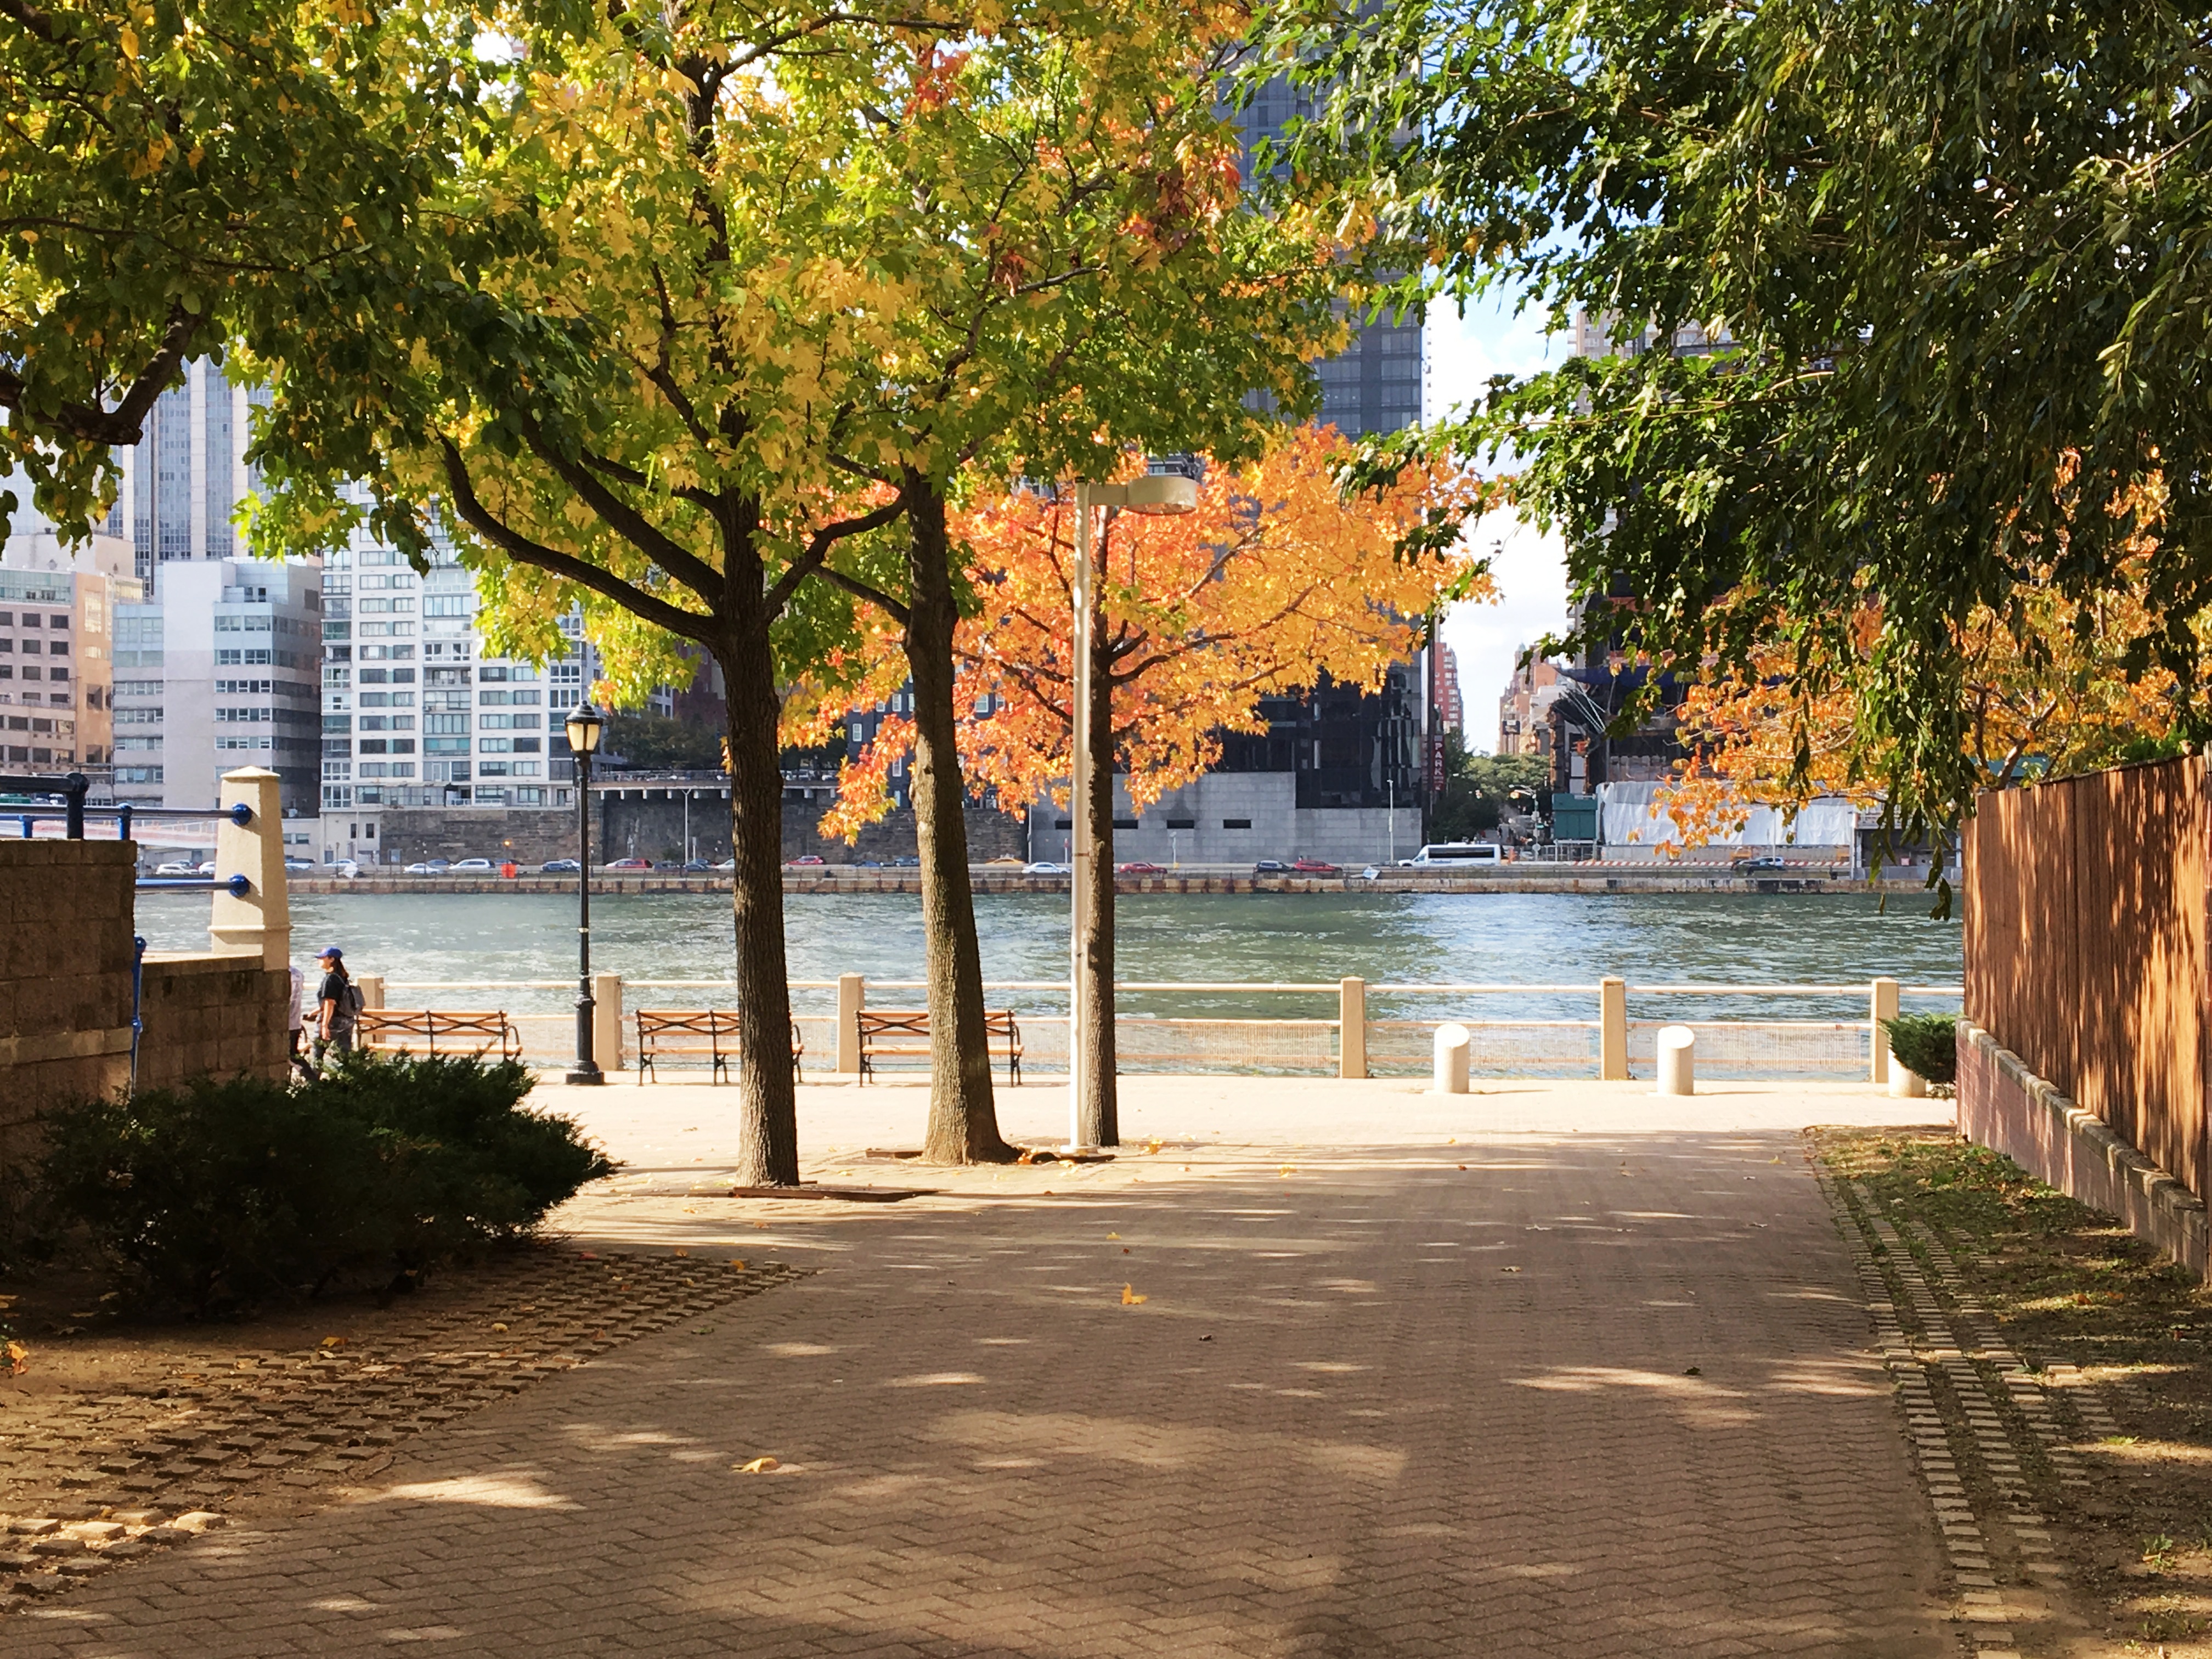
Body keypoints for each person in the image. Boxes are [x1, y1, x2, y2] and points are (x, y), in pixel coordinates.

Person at [313, 946, 360, 1072]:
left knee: (317, 1055)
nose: (319, 960)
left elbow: (330, 1002)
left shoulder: (331, 979)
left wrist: (324, 1026)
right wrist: (316, 1011)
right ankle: (346, 1080)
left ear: (332, 959)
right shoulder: (342, 977)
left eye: (322, 958)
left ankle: (314, 1081)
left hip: (333, 1022)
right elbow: (337, 1000)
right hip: (346, 1021)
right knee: (344, 1057)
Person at [287, 965, 315, 1081]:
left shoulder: (286, 974)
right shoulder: (298, 973)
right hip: (295, 1022)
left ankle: (313, 1080)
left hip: (287, 1024)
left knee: (291, 1057)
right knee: (294, 1055)